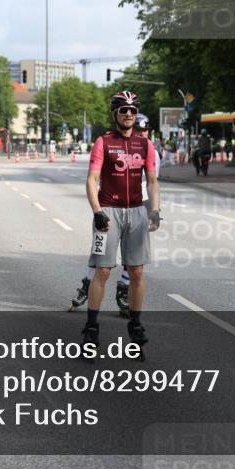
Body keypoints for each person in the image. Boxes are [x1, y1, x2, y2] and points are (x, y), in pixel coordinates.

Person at [79, 91, 160, 356]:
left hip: (136, 212)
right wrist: (97, 211)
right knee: (102, 271)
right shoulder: (103, 142)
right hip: (109, 213)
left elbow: (152, 181)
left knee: (136, 271)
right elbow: (92, 179)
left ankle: (135, 326)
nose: (128, 114)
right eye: (123, 110)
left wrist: (155, 210)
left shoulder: (144, 145)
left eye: (133, 111)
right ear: (115, 114)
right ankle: (91, 328)